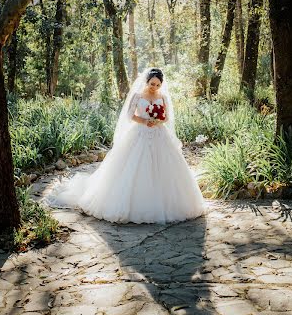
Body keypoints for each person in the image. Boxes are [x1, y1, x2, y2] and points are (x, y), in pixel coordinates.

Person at [46, 67, 206, 224]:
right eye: (152, 84)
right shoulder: (138, 95)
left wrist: (157, 120)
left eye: (158, 85)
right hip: (140, 133)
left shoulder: (162, 97)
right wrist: (144, 121)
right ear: (147, 81)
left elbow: (166, 118)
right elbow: (130, 115)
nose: (154, 87)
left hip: (159, 134)